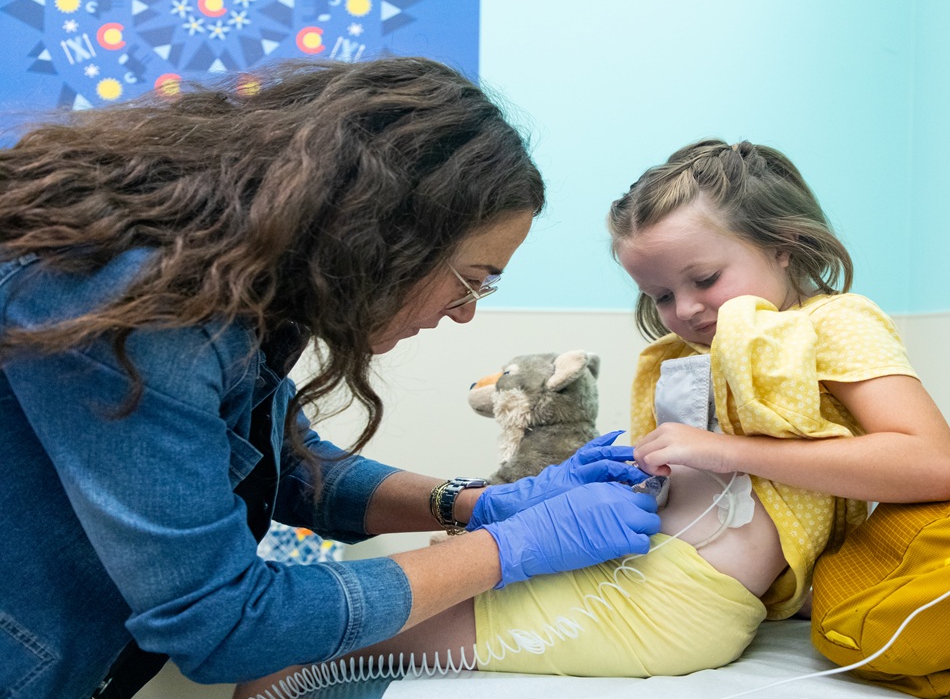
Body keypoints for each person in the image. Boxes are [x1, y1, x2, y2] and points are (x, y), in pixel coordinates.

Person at [0, 56, 662, 699]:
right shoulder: (138, 308)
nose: (463, 314)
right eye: (471, 281)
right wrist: (509, 545)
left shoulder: (240, 286)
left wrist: (474, 503)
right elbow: (226, 623)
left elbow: (290, 462)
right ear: (382, 233)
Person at [235, 138, 950, 694]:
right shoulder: (713, 352)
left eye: (704, 280)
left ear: (788, 245)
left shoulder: (834, 323)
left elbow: (930, 465)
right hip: (631, 573)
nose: (685, 312)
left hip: (669, 604)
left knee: (293, 660)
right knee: (293, 656)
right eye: (659, 296)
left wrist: (725, 451)